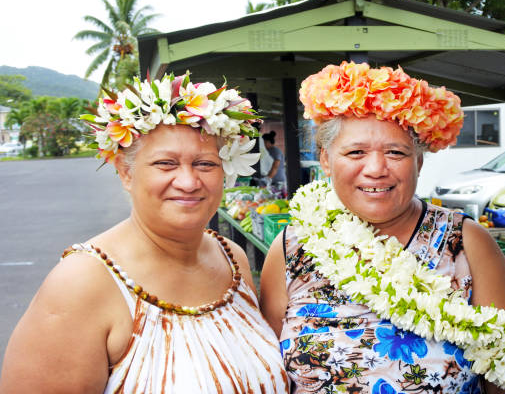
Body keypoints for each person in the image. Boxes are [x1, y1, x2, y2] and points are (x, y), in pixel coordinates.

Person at [260, 62, 505, 393]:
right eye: (356, 152)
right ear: (325, 159)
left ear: (418, 161)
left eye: (396, 152)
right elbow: (265, 372)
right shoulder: (292, 246)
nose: (376, 169)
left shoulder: (467, 243)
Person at [0, 73, 289, 393]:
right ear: (126, 172)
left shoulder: (231, 258)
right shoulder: (82, 282)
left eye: (205, 164)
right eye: (166, 163)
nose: (189, 182)